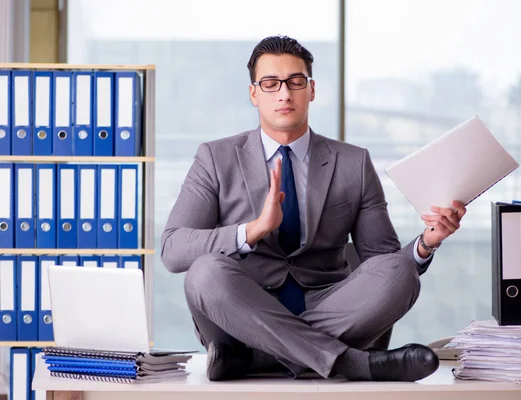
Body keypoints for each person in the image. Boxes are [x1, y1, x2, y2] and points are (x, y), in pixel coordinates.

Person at [161, 35, 467, 382]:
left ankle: (257, 358)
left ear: (312, 89)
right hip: (242, 309)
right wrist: (253, 230)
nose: (284, 93)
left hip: (327, 303)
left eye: (295, 81)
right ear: (253, 94)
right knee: (204, 272)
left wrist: (427, 243)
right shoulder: (215, 158)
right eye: (270, 83)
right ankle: (349, 363)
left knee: (400, 271)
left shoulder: (353, 162)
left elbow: (382, 260)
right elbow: (173, 250)